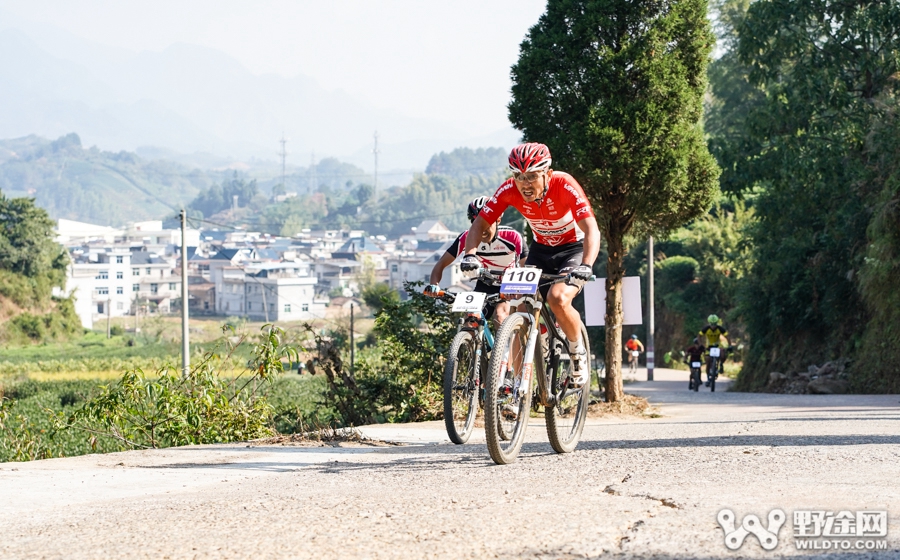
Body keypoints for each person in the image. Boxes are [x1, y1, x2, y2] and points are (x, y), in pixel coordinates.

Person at [461, 142, 602, 389]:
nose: (525, 184)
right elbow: (479, 225)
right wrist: (470, 255)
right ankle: (516, 384)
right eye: (519, 176)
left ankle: (577, 351)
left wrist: (587, 265)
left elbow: (591, 229)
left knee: (557, 298)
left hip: (572, 249)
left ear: (547, 173)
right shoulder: (508, 189)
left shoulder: (564, 183)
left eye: (532, 176)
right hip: (540, 250)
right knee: (517, 304)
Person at [424, 196, 527, 327]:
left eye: (486, 222)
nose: (481, 228)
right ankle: (472, 345)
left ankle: (504, 347)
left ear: (498, 219)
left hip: (508, 284)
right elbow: (440, 265)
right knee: (470, 319)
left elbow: (526, 265)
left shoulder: (512, 237)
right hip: (484, 283)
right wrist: (434, 285)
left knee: (500, 316)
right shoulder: (466, 238)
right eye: (475, 222)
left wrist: (519, 289)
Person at [698, 314, 729, 386]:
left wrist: (729, 345)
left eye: (715, 324)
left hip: (718, 346)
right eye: (712, 324)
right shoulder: (706, 329)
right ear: (709, 323)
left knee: (723, 354)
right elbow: (699, 336)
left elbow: (727, 336)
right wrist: (700, 345)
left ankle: (721, 365)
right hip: (709, 347)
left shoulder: (720, 329)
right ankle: (708, 378)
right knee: (708, 362)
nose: (713, 326)